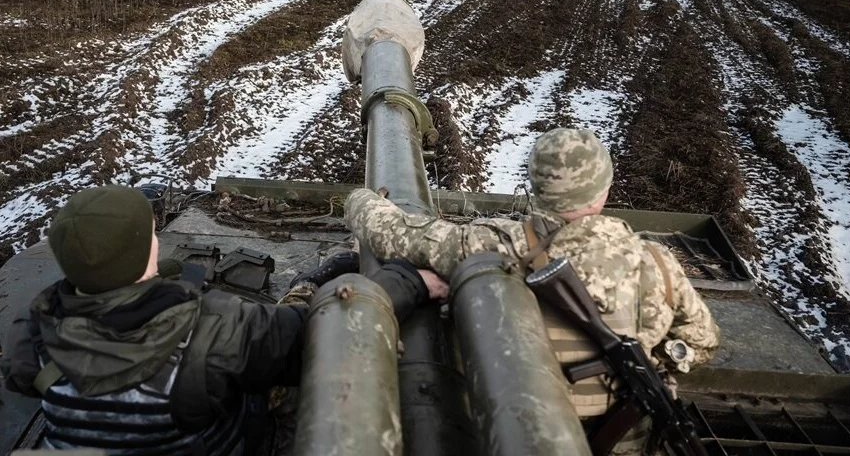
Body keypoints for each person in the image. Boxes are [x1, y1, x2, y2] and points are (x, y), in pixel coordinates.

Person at [345, 128, 721, 455]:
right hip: (627, 437)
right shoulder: (658, 262)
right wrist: (659, 360)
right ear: (604, 189)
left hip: (519, 432)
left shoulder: (495, 244)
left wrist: (359, 200)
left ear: (536, 187)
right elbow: (702, 341)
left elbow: (397, 235)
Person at [1, 185, 446, 454]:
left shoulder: (36, 329)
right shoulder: (211, 328)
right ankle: (314, 278)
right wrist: (409, 281)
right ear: (145, 251)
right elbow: (316, 334)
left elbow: (26, 377)